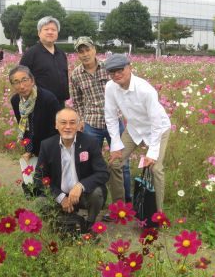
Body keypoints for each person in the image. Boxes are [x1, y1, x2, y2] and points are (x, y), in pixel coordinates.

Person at [104, 54, 171, 213]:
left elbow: (156, 123)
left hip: (158, 128)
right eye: (112, 72)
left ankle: (157, 215)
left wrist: (152, 153)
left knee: (155, 169)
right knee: (115, 162)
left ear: (130, 68)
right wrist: (115, 145)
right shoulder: (110, 87)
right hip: (134, 129)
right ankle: (120, 208)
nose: (116, 75)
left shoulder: (145, 90)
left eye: (120, 70)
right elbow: (111, 116)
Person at [70, 36, 132, 203]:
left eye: (87, 49)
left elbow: (126, 86)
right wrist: (81, 119)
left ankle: (126, 202)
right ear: (77, 54)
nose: (85, 54)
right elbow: (77, 101)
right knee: (90, 164)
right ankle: (96, 200)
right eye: (81, 51)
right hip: (92, 124)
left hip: (116, 121)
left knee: (121, 164)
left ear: (94, 50)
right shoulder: (76, 74)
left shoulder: (109, 67)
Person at [34, 108, 109, 230]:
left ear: (79, 125)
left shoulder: (90, 142)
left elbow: (103, 173)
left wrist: (81, 185)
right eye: (63, 122)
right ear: (56, 125)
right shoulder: (47, 145)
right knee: (39, 202)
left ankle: (89, 224)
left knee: (97, 193)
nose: (68, 127)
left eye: (72, 122)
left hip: (83, 195)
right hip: (59, 194)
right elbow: (38, 178)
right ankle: (58, 223)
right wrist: (60, 197)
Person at [10, 65, 60, 159]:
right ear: (12, 85)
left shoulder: (48, 99)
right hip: (33, 148)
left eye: (25, 80)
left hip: (51, 149)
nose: (21, 86)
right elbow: (25, 129)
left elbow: (56, 130)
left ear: (32, 80)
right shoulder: (15, 100)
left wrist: (45, 153)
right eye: (16, 82)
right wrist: (29, 150)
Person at [19, 16, 69, 108]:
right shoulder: (31, 54)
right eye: (46, 29)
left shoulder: (61, 54)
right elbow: (20, 78)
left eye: (53, 29)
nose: (50, 32)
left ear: (57, 33)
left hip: (60, 103)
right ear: (39, 33)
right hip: (39, 104)